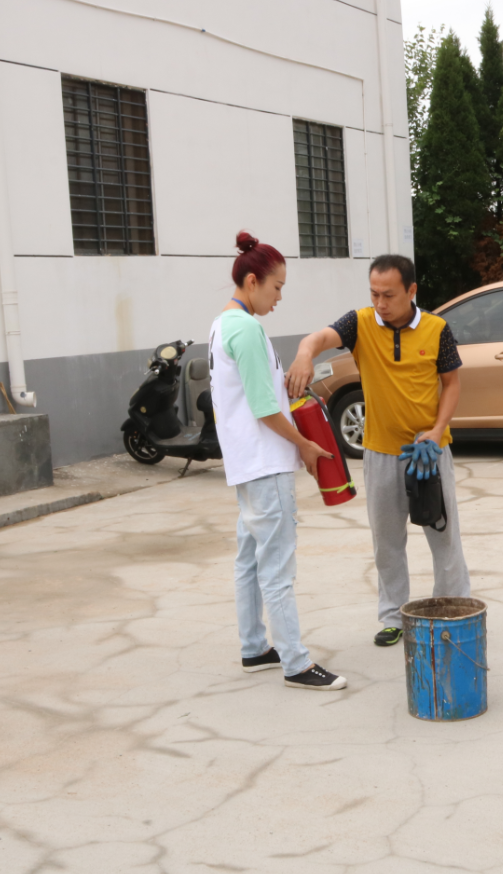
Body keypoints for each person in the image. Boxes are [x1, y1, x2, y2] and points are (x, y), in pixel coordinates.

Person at [286, 254, 469, 647]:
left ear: (411, 290)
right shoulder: (360, 323)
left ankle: (453, 610)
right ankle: (393, 617)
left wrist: (437, 431)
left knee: (444, 536)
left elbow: (452, 384)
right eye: (374, 294)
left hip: (429, 451)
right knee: (387, 541)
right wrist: (304, 353)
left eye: (389, 295)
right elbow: (318, 339)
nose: (380, 303)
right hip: (381, 452)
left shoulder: (437, 329)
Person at [209, 231, 345, 691]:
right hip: (266, 463)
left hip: (246, 463)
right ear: (253, 281)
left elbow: (252, 394)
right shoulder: (246, 329)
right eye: (276, 287)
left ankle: (254, 647)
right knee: (277, 567)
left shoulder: (222, 324)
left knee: (250, 559)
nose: (279, 297)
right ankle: (296, 663)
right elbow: (263, 408)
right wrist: (303, 444)